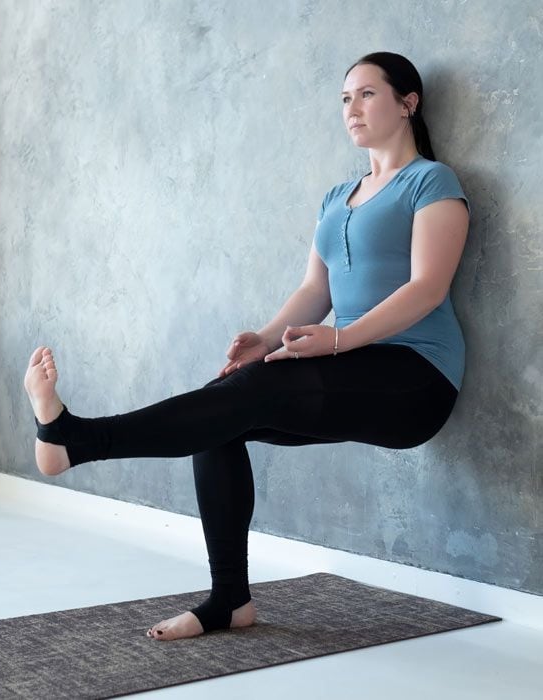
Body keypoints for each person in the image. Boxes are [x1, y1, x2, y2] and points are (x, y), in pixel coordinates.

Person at [24, 52, 470, 642]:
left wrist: (337, 340)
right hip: (350, 364)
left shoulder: (432, 182)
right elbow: (315, 289)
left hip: (417, 376)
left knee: (238, 397)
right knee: (224, 405)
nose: (352, 109)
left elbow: (427, 287)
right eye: (344, 99)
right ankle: (229, 601)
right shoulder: (338, 195)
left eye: (366, 95)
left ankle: (79, 439)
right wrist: (263, 339)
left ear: (407, 102)